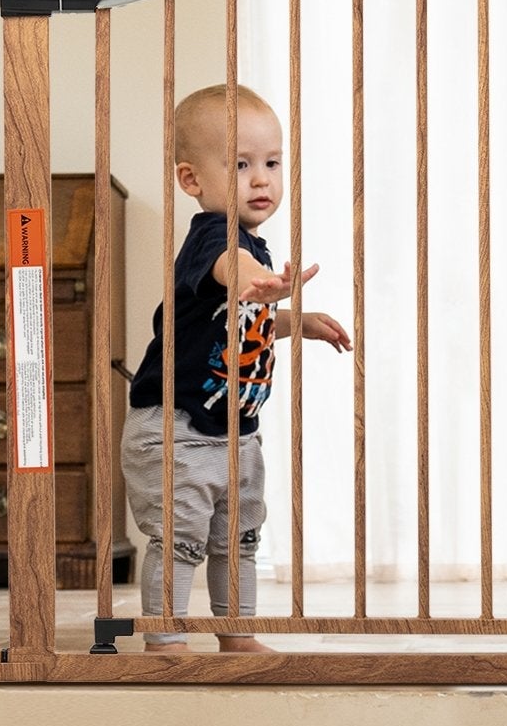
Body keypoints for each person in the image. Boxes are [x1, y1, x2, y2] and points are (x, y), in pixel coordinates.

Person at [121, 83, 351, 652]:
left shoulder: (257, 248)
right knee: (179, 541)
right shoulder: (214, 239)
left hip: (234, 433)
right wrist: (257, 280)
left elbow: (240, 323)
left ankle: (237, 635)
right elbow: (233, 271)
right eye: (241, 164)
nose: (262, 179)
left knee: (238, 540)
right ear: (192, 180)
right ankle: (166, 641)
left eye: (272, 163)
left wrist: (299, 320)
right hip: (176, 429)